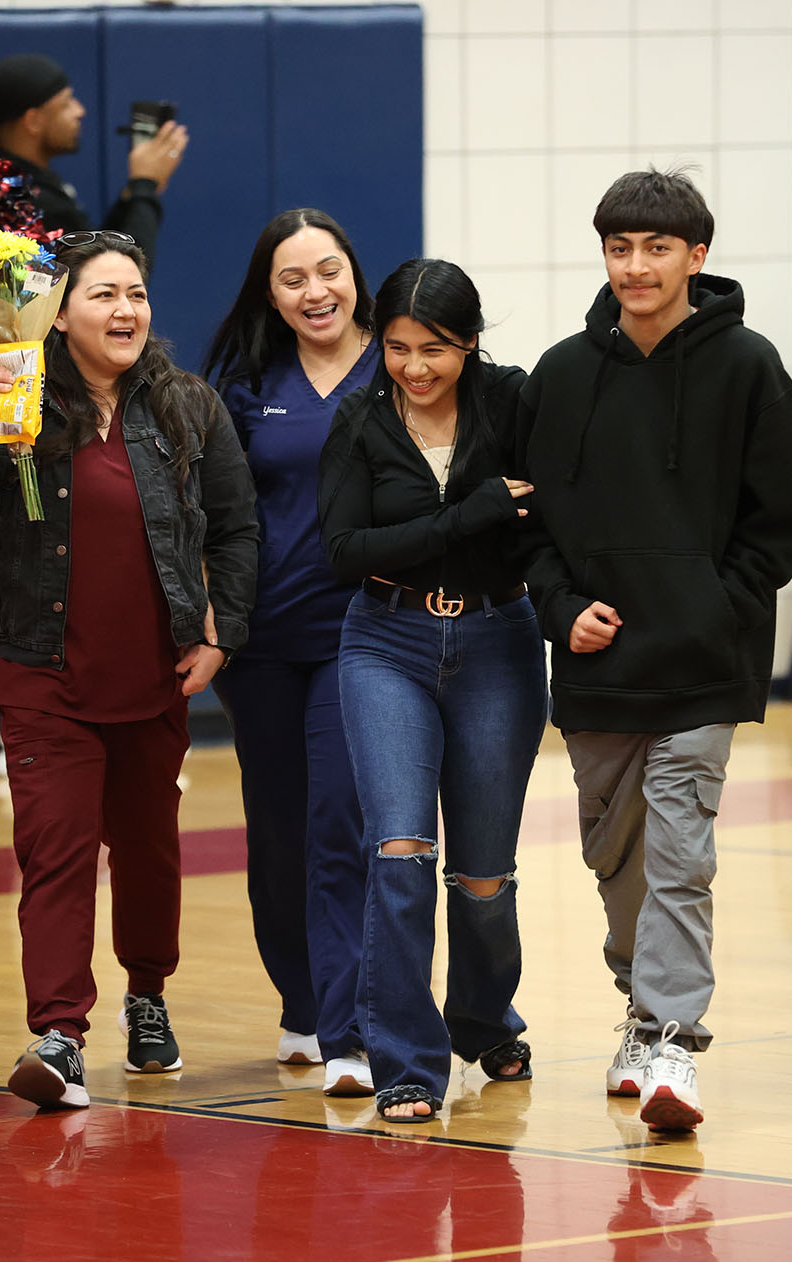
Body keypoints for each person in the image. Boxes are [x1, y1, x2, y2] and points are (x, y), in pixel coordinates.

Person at [0, 232, 258, 1110]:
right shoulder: (17, 395)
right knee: (56, 852)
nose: (125, 311)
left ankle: (148, 997)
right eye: (103, 295)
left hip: (155, 673)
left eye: (136, 294)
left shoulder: (186, 404)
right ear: (56, 313)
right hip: (41, 671)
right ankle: (59, 1034)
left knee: (147, 853)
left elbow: (236, 524)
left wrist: (222, 631)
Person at [515, 168, 792, 1133]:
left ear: (697, 256)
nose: (636, 266)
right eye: (619, 247)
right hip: (597, 662)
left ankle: (675, 1041)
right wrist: (562, 610)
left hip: (705, 664)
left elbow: (778, 529)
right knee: (618, 858)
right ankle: (641, 1004)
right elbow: (533, 527)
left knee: (682, 852)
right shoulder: (561, 374)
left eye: (656, 248)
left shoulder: (749, 365)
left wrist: (709, 610)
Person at [317, 258, 544, 1122]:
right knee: (401, 852)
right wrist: (469, 515)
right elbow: (347, 550)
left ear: (472, 342)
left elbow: (548, 514)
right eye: (399, 347)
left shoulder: (514, 402)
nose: (414, 368)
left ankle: (484, 1019)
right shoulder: (360, 418)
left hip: (499, 641)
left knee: (483, 877)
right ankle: (407, 1062)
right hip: (386, 641)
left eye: (437, 350)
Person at [202, 209, 377, 1088]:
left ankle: (351, 1023)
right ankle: (301, 1006)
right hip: (264, 641)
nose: (317, 292)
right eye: (294, 278)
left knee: (341, 820)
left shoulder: (401, 366)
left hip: (369, 637)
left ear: (355, 274)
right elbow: (217, 518)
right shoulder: (243, 388)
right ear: (269, 295)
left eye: (329, 271)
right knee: (278, 830)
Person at [0, 54, 188, 269]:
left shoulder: (12, 181)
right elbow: (116, 277)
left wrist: (135, 193)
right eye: (66, 104)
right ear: (33, 121)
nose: (79, 111)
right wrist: (144, 185)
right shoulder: (24, 202)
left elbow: (97, 250)